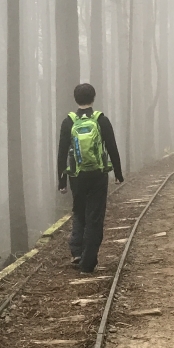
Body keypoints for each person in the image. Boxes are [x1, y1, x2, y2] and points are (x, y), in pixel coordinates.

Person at [58, 83, 124, 273]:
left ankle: (77, 251)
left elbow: (62, 154)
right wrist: (118, 174)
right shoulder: (101, 120)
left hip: (76, 176)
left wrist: (62, 180)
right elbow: (112, 147)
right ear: (93, 98)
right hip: (97, 175)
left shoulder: (68, 122)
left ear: (76, 99)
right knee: (94, 217)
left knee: (79, 211)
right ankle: (87, 262)